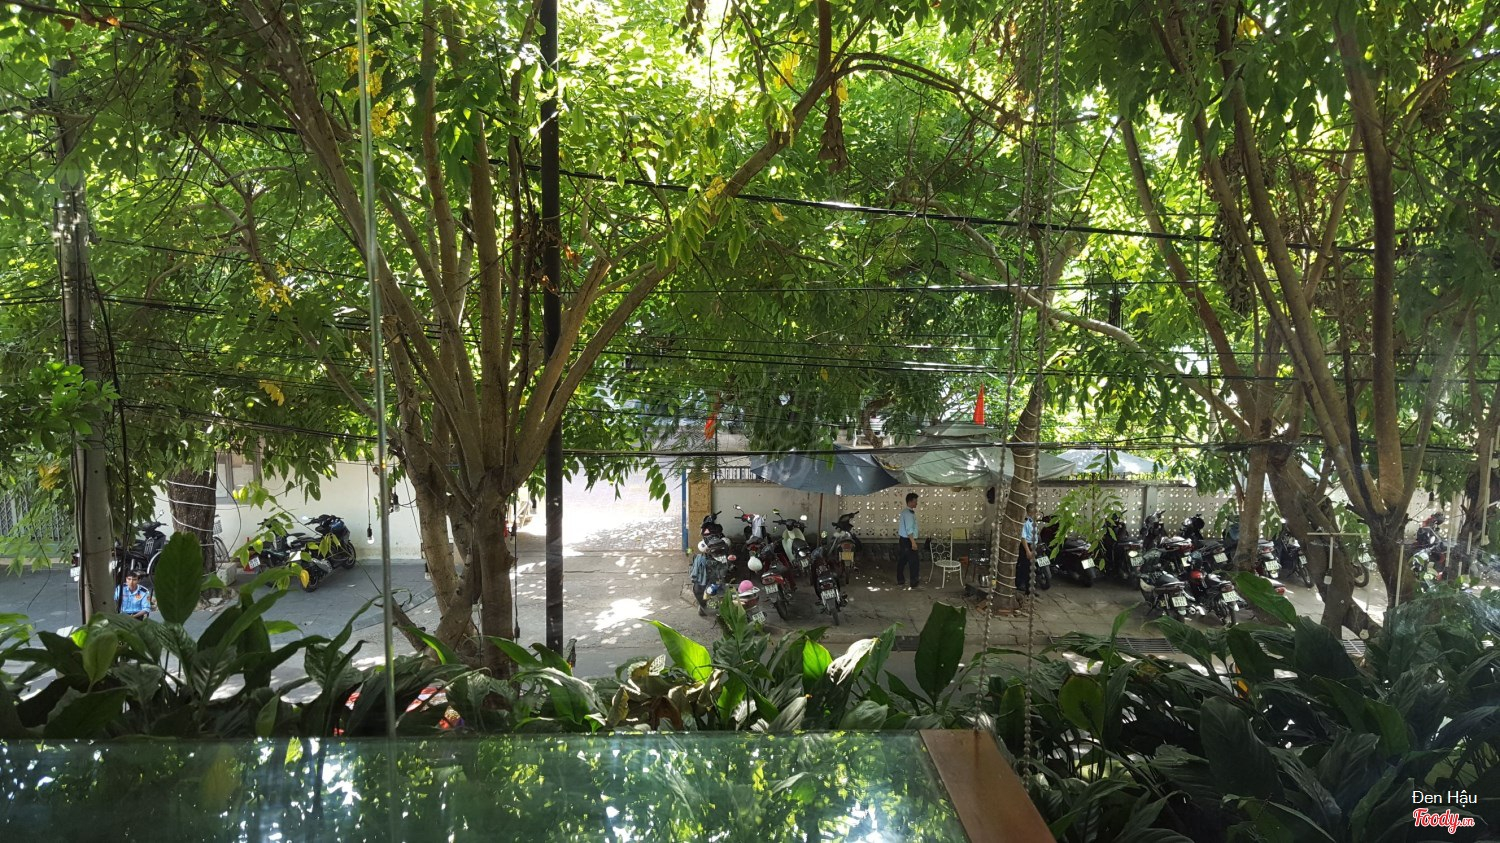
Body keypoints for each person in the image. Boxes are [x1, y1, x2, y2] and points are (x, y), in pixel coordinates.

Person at [897, 492, 920, 588]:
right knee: (914, 562)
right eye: (915, 501)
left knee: (902, 560)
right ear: (910, 502)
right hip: (908, 540)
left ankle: (900, 579)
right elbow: (909, 529)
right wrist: (913, 543)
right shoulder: (908, 514)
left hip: (904, 540)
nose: (916, 503)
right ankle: (914, 582)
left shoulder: (906, 512)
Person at [1018, 503, 1038, 595]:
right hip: (1027, 546)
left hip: (1033, 545)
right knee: (1026, 568)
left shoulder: (1033, 522)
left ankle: (1031, 589)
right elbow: (1023, 538)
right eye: (1035, 512)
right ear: (1030, 513)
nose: (1037, 514)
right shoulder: (1025, 523)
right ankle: (1027, 590)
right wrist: (1028, 551)